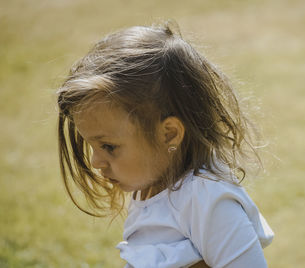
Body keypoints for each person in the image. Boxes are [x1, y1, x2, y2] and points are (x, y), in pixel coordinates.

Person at [56, 21, 274, 268]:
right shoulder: (153, 185)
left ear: (169, 134)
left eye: (109, 147)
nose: (95, 161)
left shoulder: (208, 200)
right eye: (91, 145)